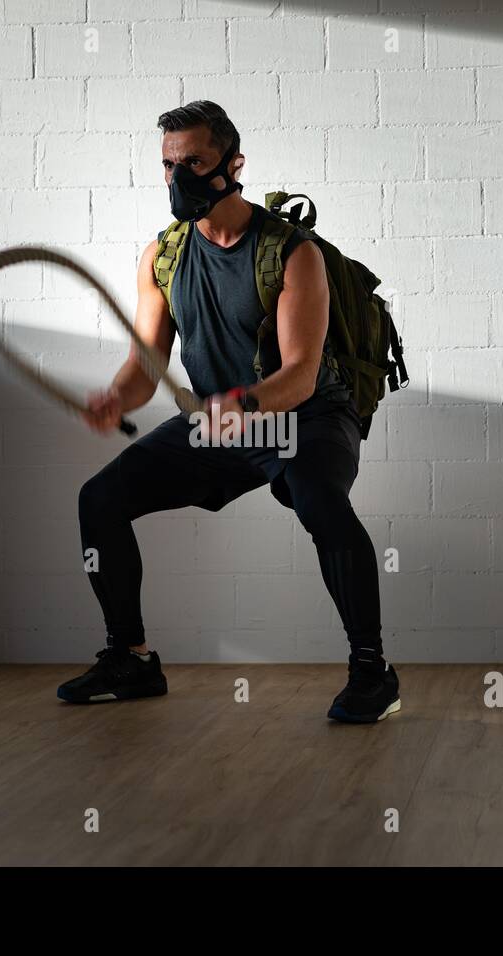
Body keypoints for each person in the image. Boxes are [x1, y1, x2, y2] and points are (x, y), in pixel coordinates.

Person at [57, 101, 399, 723]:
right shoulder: (163, 256)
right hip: (220, 421)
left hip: (307, 415)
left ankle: (373, 669)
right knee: (99, 498)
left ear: (233, 165)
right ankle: (130, 659)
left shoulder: (291, 253)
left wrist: (242, 403)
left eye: (195, 162)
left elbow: (297, 373)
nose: (179, 177)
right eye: (169, 165)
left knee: (319, 499)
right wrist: (117, 397)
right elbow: (145, 368)